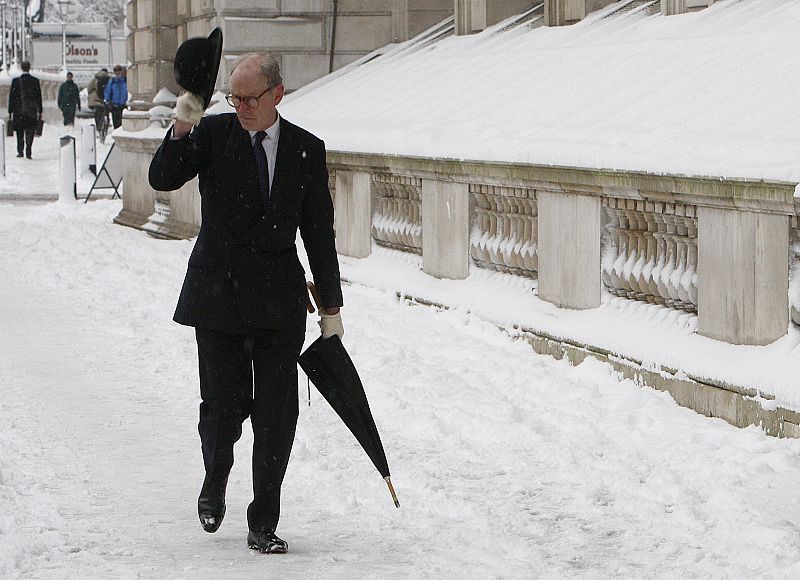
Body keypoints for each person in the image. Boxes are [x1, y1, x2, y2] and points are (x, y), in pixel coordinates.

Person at [148, 52, 344, 555]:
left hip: (279, 302)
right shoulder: (212, 135)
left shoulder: (306, 150)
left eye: (250, 98)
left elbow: (319, 233)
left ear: (277, 94)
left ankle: (264, 521)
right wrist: (182, 122)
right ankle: (216, 477)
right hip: (218, 298)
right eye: (233, 98)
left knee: (277, 415)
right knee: (222, 410)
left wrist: (332, 310)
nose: (240, 107)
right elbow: (162, 177)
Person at [8, 61, 42, 159]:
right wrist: (40, 110)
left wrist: (10, 110)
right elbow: (38, 97)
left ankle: (20, 150)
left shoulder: (16, 81)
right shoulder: (35, 81)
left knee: (19, 131)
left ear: (21, 68)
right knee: (30, 130)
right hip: (31, 110)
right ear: (29, 68)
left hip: (19, 110)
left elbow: (12, 97)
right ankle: (28, 149)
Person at [103, 64, 127, 129]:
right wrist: (108, 101)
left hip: (124, 106)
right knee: (116, 125)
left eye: (119, 70)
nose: (118, 72)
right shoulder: (112, 81)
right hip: (115, 106)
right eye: (116, 71)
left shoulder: (125, 81)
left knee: (124, 124)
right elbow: (107, 92)